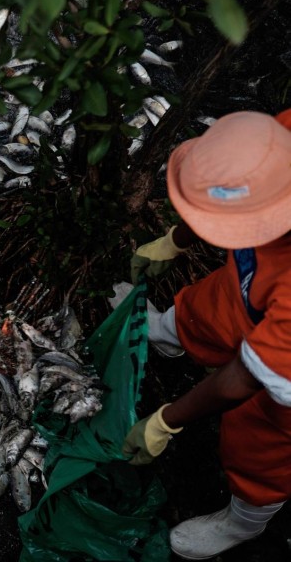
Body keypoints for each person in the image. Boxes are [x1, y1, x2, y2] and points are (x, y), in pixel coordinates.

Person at [118, 109, 291, 560]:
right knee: (207, 309)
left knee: (260, 444)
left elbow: (241, 379)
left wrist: (166, 421)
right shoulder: (277, 143)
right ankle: (168, 334)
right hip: (254, 295)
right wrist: (177, 238)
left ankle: (244, 521)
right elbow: (231, 190)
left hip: (284, 386)